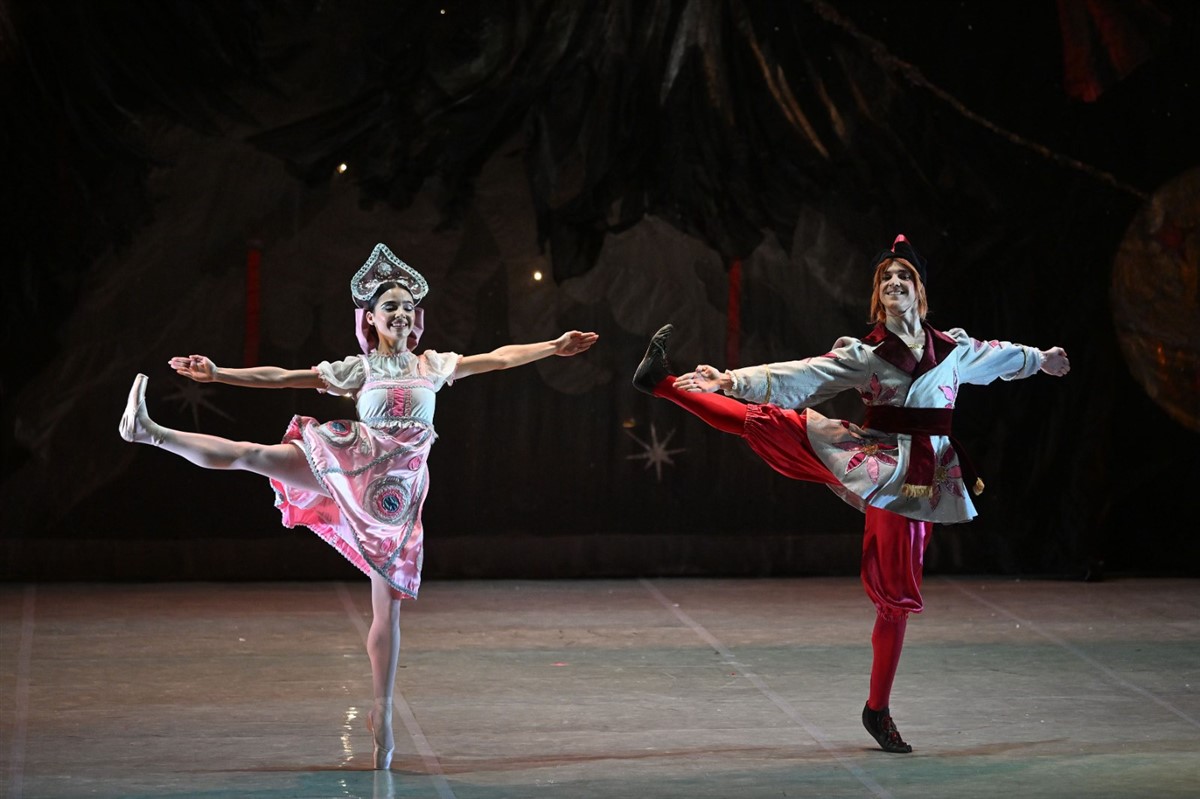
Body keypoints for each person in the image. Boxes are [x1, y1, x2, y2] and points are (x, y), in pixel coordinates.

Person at [119, 242, 598, 769]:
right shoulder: (358, 369)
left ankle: (382, 709)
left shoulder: (434, 364)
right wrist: (221, 373)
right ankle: (152, 432)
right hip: (352, 463)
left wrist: (554, 345)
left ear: (416, 320)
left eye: (406, 306)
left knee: (387, 608)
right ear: (369, 319)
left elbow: (501, 358)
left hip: (396, 496)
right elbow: (283, 376)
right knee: (256, 455)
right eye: (387, 305)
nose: (399, 312)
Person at [632, 234, 1069, 754]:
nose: (894, 283)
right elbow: (803, 374)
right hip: (877, 465)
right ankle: (662, 382)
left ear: (920, 291)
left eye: (903, 276)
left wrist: (1041, 359)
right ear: (878, 295)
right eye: (886, 278)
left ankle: (876, 707)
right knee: (774, 422)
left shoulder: (954, 349)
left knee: (898, 603)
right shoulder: (866, 354)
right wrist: (731, 379)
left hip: (922, 478)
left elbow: (999, 356)